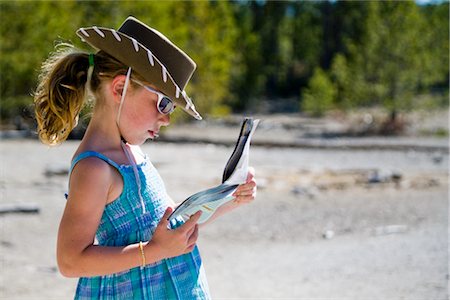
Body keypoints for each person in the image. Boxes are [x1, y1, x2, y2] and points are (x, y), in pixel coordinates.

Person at [34, 16, 257, 299]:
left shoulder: (132, 152)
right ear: (119, 89)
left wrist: (229, 197)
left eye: (171, 108)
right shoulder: (94, 167)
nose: (165, 118)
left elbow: (167, 222)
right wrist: (154, 251)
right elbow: (70, 260)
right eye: (163, 103)